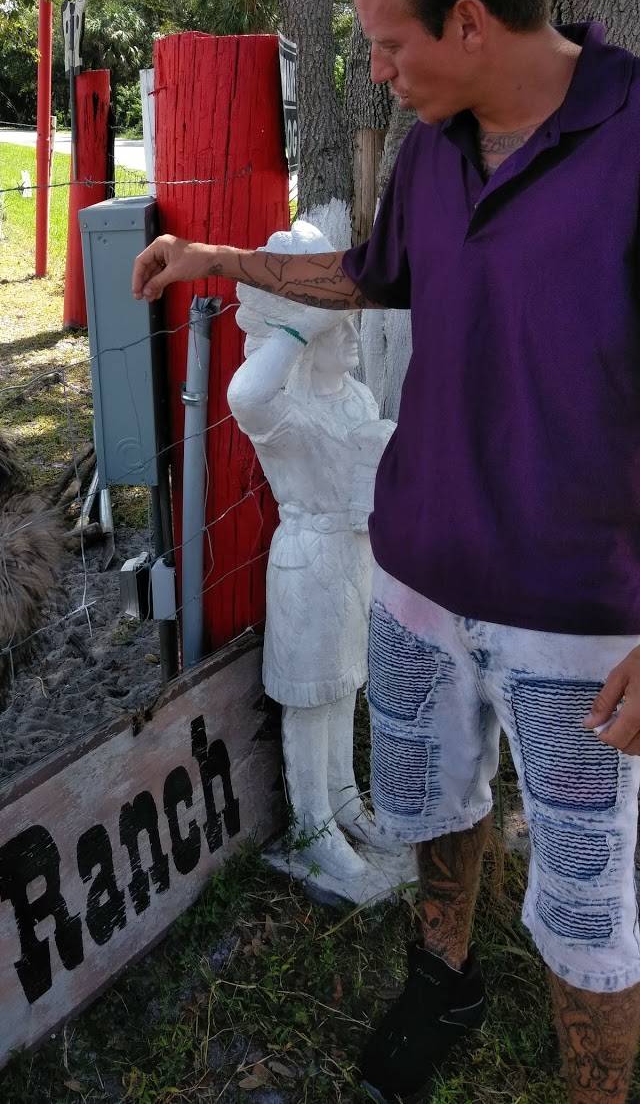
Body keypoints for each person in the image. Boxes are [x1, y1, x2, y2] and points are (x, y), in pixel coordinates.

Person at [131, 0, 640, 1104]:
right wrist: (217, 259)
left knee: (585, 890)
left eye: (388, 43)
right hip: (415, 573)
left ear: (470, 23)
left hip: (579, 610)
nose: (378, 72)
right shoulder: (428, 153)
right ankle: (444, 972)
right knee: (430, 800)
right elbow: (371, 277)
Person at [228, 219, 405, 905]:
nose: (352, 338)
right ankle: (311, 822)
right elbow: (245, 394)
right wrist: (300, 324)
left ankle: (343, 798)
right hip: (305, 558)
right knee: (311, 696)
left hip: (354, 555)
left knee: (345, 682)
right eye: (340, 326)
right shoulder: (285, 408)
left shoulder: (355, 398)